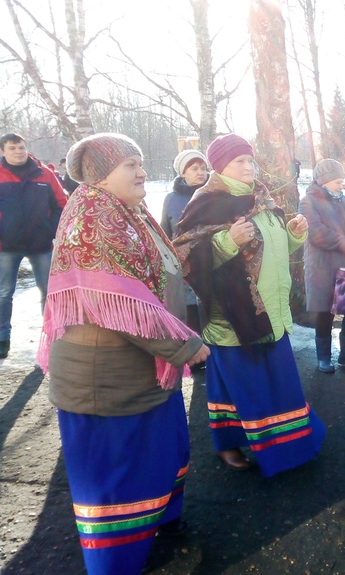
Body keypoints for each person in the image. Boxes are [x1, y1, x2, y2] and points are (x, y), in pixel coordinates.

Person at [37, 133, 209, 575]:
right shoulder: (95, 218)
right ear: (100, 174)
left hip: (145, 372)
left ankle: (160, 527)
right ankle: (115, 565)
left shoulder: (131, 213)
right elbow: (127, 307)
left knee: (161, 455)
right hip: (108, 381)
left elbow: (164, 267)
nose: (141, 171)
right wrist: (189, 346)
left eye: (140, 161)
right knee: (116, 484)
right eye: (129, 164)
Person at [173, 133, 325, 475]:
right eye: (239, 161)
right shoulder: (206, 203)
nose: (248, 166)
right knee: (247, 389)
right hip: (234, 318)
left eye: (249, 160)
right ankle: (234, 446)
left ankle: (278, 445)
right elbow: (183, 259)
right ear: (220, 166)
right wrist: (227, 241)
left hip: (272, 311)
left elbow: (270, 255)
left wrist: (294, 233)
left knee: (272, 386)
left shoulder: (262, 198)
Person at [299, 158, 345, 373]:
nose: (342, 186)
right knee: (325, 311)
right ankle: (324, 357)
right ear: (324, 181)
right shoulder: (308, 202)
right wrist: (344, 244)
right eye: (337, 181)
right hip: (324, 266)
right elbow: (315, 232)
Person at [0, 133, 67, 359]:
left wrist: (50, 228)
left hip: (40, 244)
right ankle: (2, 337)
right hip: (6, 246)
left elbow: (61, 203)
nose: (18, 151)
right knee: (4, 292)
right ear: (3, 151)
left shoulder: (44, 174)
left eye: (21, 147)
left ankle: (51, 336)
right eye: (12, 148)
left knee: (49, 291)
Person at [161, 150, 210, 336]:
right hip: (182, 269)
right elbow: (164, 232)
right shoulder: (171, 199)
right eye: (194, 168)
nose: (200, 172)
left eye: (203, 168)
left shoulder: (214, 195)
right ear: (183, 173)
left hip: (211, 265)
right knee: (190, 321)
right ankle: (196, 362)